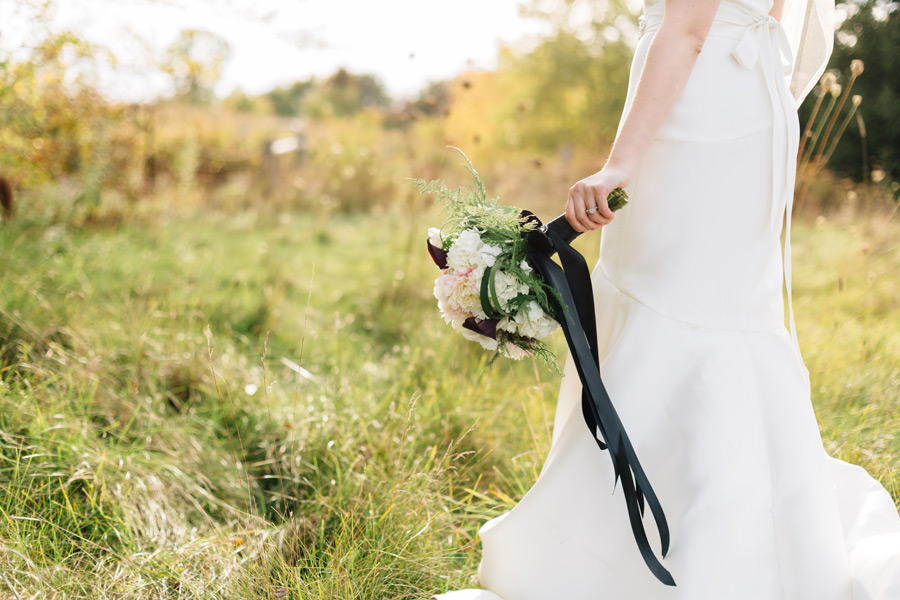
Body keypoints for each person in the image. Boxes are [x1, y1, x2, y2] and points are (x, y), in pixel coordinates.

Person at [431, 0, 900, 596]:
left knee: (666, 306)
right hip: (749, 110)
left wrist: (620, 163)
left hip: (696, 119)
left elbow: (685, 31)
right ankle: (754, 542)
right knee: (721, 311)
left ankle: (638, 552)